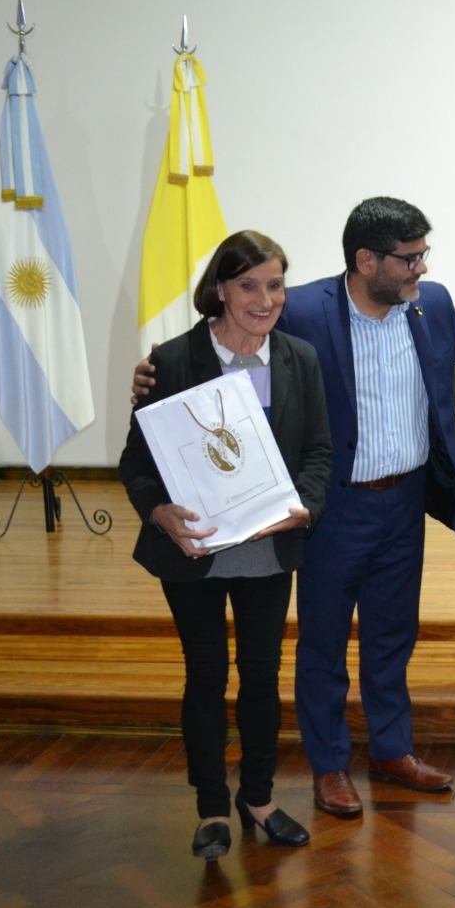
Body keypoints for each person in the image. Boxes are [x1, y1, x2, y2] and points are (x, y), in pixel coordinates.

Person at [136, 198, 455, 814]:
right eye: (409, 258)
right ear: (367, 261)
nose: (422, 267)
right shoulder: (303, 309)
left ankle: (392, 749)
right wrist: (151, 377)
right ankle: (330, 763)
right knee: (324, 642)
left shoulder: (428, 302)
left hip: (407, 500)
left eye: (422, 255)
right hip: (334, 508)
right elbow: (226, 344)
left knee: (393, 635)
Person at [119, 230, 330, 860]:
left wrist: (304, 509)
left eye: (275, 285)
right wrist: (159, 512)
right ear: (219, 290)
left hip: (268, 551)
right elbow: (136, 460)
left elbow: (318, 451)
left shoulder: (299, 359)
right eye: (248, 286)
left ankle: (258, 797)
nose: (264, 300)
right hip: (195, 553)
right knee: (205, 678)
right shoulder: (172, 360)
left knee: (262, 679)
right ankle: (211, 806)